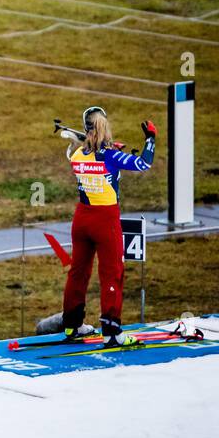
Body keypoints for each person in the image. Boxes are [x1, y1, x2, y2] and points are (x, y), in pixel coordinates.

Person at [61, 106, 155, 346]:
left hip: (81, 218)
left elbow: (92, 153)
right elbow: (144, 163)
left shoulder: (77, 155)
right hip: (106, 220)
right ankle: (112, 332)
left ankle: (72, 325)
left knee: (78, 272)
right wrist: (151, 139)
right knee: (112, 274)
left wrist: (110, 149)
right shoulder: (110, 155)